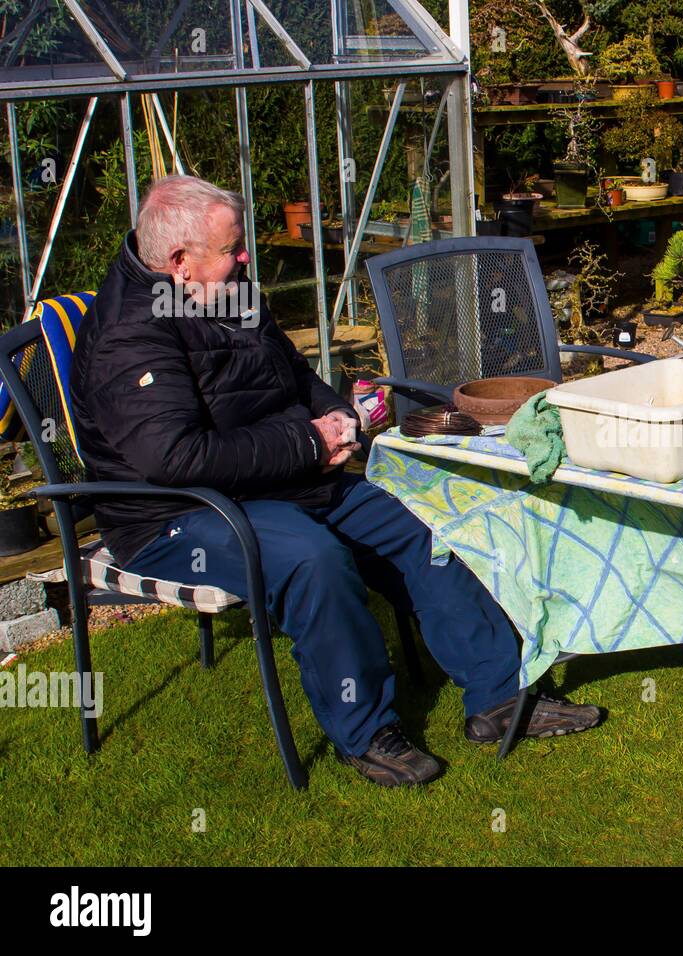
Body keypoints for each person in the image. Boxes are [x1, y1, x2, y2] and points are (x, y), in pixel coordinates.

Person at [70, 175, 602, 787]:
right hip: (175, 512)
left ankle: (501, 694)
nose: (246, 258)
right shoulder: (128, 336)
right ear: (180, 263)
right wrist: (304, 442)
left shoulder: (227, 292)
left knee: (421, 526)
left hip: (277, 478)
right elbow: (176, 458)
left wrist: (339, 422)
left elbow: (293, 377)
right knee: (311, 560)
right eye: (231, 250)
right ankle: (367, 730)